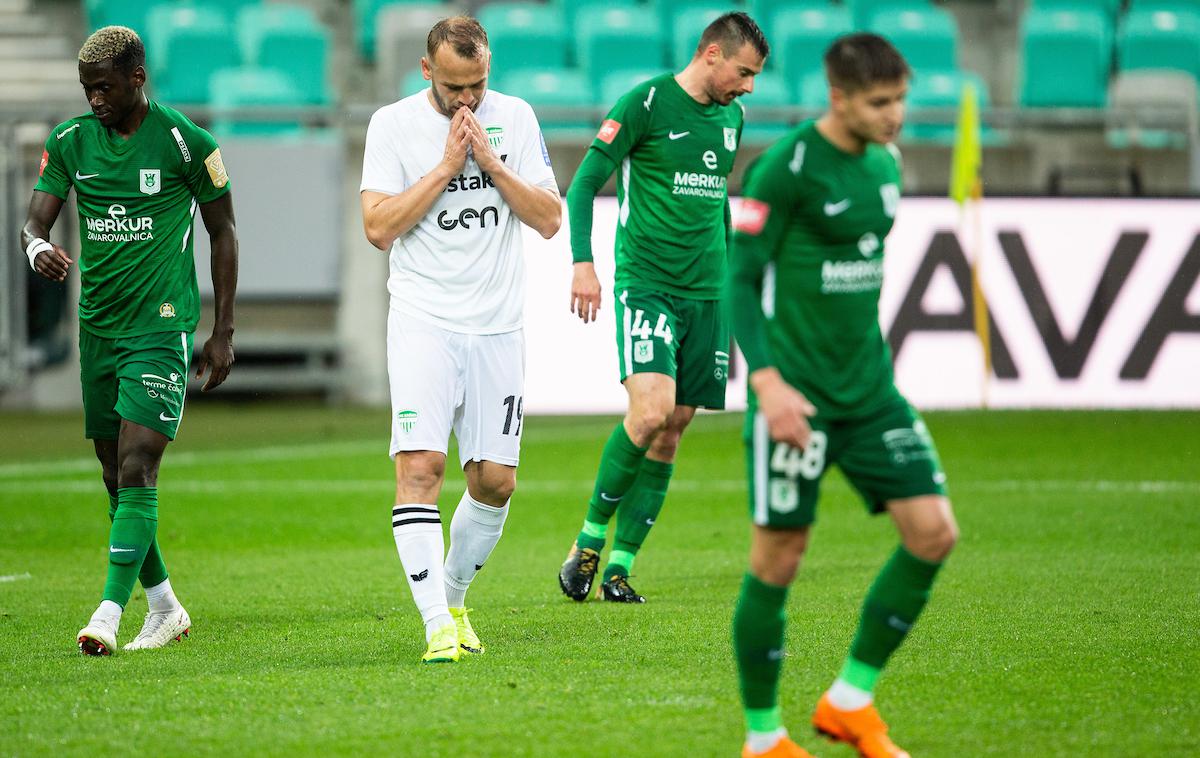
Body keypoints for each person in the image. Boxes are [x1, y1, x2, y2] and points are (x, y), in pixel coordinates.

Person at [726, 33, 961, 758]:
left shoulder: (886, 165)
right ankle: (763, 737)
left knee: (933, 533)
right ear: (839, 98)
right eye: (880, 102)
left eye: (900, 100)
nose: (896, 116)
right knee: (779, 559)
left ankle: (850, 701)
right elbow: (738, 279)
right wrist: (767, 385)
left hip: (871, 395)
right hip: (796, 400)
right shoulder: (785, 168)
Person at [20, 26, 238, 656]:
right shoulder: (69, 141)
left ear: (137, 78)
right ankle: (165, 605)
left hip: (160, 324)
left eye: (105, 87)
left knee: (140, 461)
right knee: (116, 474)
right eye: (87, 89)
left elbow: (223, 231)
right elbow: (36, 219)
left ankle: (109, 613)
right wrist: (37, 248)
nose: (95, 100)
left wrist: (221, 330)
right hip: (99, 329)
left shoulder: (184, 142)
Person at [360, 16, 561, 663]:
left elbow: (550, 219)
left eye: (477, 85)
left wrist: (493, 165)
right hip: (424, 320)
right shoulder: (392, 126)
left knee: (495, 481)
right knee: (421, 468)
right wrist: (447, 167)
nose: (467, 100)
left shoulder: (518, 118)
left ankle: (451, 599)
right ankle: (435, 628)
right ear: (427, 72)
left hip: (498, 325)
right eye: (454, 88)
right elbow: (377, 227)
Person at [557, 12, 767, 604]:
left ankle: (620, 568)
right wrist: (583, 262)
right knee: (650, 412)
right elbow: (583, 183)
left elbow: (718, 204)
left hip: (709, 293)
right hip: (647, 284)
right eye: (744, 72)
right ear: (711, 53)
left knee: (673, 431)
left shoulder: (733, 115)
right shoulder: (645, 102)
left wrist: (735, 283)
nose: (748, 86)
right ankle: (589, 542)